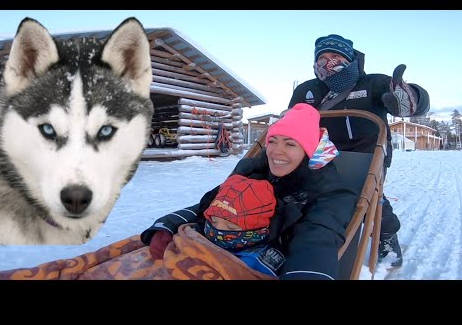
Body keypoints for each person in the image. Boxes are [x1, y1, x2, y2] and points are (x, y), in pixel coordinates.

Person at [141, 103, 358, 280]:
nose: (276, 151)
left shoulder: (330, 189)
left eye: (290, 144)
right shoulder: (253, 170)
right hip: (217, 247)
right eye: (272, 141)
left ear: (308, 150)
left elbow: (318, 236)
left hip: (267, 263)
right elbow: (217, 205)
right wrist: (168, 225)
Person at [288, 34, 431, 268]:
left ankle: (386, 235)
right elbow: (292, 122)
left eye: (335, 56)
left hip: (368, 151)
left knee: (365, 194)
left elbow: (414, 100)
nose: (327, 62)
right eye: (322, 57)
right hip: (322, 151)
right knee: (306, 192)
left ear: (349, 58)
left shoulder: (373, 83)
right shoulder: (307, 90)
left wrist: (410, 97)